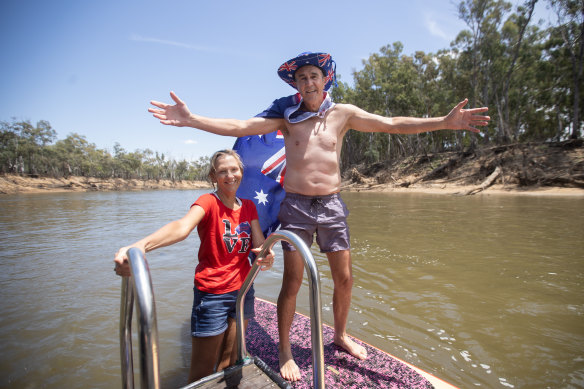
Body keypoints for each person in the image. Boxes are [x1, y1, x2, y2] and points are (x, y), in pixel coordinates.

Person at [148, 51, 491, 382]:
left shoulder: (342, 113)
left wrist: (443, 123)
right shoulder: (286, 114)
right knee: (293, 282)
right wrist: (192, 119)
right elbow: (241, 125)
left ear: (325, 79)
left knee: (345, 279)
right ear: (295, 85)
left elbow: (392, 124)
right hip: (295, 207)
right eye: (301, 78)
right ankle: (285, 350)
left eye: (314, 75)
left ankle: (340, 335)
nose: (308, 82)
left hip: (331, 206)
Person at [114, 149, 274, 383]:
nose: (230, 175)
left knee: (229, 362)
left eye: (234, 169)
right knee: (201, 373)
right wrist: (140, 246)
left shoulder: (249, 206)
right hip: (212, 295)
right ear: (213, 176)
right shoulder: (208, 202)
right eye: (222, 171)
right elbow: (182, 227)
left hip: (243, 291)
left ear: (241, 172)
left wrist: (267, 255)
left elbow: (259, 245)